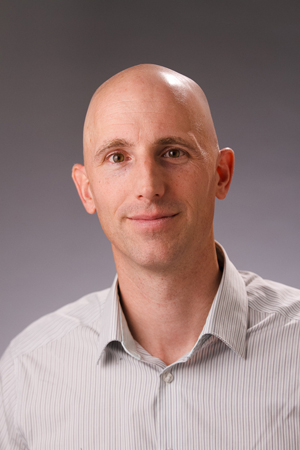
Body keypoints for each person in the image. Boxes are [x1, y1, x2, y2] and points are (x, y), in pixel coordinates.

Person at [0, 64, 299, 450]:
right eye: (117, 157)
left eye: (173, 152)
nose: (149, 187)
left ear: (221, 174)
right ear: (86, 189)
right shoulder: (27, 371)